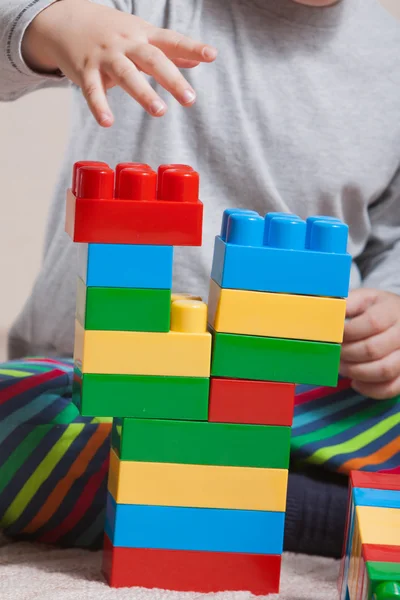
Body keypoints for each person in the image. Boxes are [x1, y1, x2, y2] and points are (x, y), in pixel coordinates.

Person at [0, 0, 399, 556]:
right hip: (109, 381)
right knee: (16, 416)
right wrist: (55, 24)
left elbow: (392, 235)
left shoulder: (392, 55)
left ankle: (212, 485)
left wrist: (393, 307)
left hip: (300, 385)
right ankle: (299, 510)